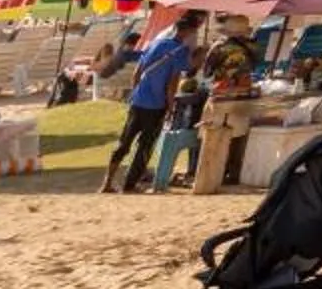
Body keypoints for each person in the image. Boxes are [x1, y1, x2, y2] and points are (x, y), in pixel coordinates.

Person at [102, 11, 201, 194]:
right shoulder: (180, 51)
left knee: (124, 143)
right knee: (145, 146)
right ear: (187, 32)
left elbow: (137, 72)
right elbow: (172, 83)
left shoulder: (155, 43)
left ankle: (107, 182)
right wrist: (171, 107)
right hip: (156, 105)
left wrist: (136, 93)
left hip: (138, 101)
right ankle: (129, 185)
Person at [193, 12, 263, 196]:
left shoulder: (220, 46)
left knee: (213, 131)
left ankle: (213, 171)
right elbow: (257, 66)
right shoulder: (253, 47)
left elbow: (207, 71)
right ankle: (233, 172)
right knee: (238, 133)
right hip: (244, 93)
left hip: (222, 95)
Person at [153, 74, 207, 190]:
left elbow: (192, 99)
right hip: (180, 132)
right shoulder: (184, 99)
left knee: (195, 151)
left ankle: (191, 172)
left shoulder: (198, 95)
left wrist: (173, 97)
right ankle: (164, 180)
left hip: (190, 130)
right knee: (170, 153)